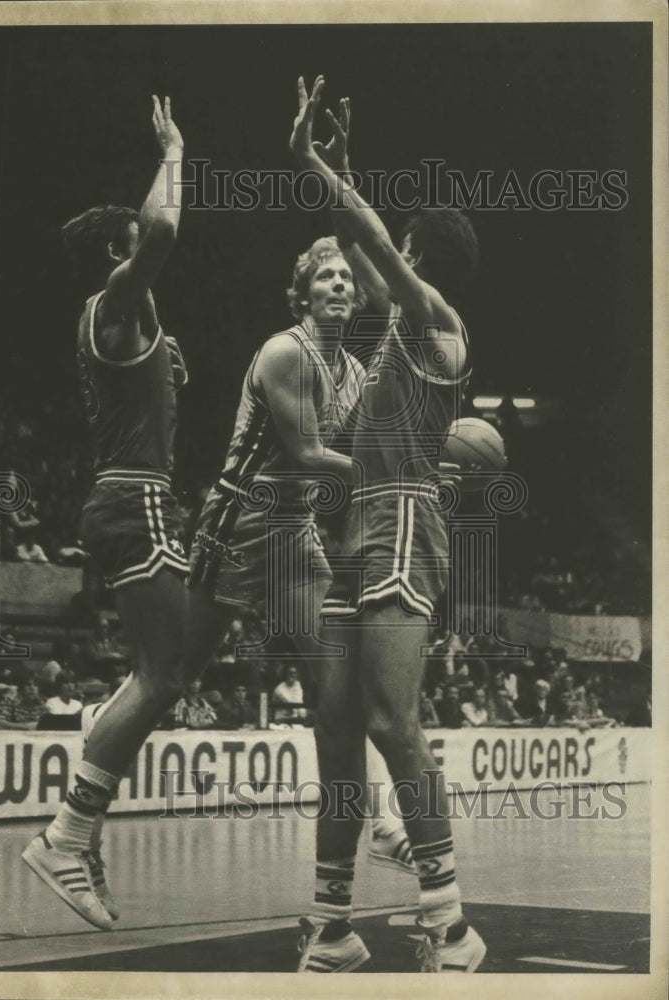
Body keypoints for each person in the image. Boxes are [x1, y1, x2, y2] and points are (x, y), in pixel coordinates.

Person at [289, 76, 484, 972]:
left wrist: (315, 163)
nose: (376, 273)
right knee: (333, 723)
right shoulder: (395, 328)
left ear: (415, 254)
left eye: (394, 255)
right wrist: (347, 159)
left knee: (391, 722)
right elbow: (369, 260)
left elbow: (368, 244)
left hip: (404, 521)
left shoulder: (437, 323)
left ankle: (450, 922)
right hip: (350, 529)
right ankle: (332, 924)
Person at [22, 94, 188, 931]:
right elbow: (163, 232)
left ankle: (101, 725)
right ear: (118, 254)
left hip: (128, 500)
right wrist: (175, 153)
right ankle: (65, 835)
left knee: (162, 671)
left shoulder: (119, 318)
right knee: (168, 675)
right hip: (135, 498)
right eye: (135, 241)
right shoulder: (118, 304)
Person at [183, 233, 366, 699]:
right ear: (305, 296)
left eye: (347, 276)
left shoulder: (356, 373)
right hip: (241, 519)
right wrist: (390, 473)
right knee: (174, 674)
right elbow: (309, 455)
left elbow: (368, 452)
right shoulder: (287, 351)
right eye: (327, 276)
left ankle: (341, 773)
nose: (340, 284)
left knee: (337, 674)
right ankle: (100, 722)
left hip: (295, 527)